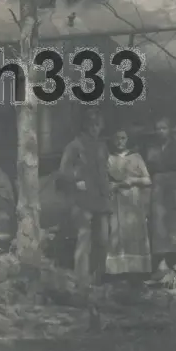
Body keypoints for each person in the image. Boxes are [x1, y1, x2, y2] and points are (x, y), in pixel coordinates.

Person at [56, 107, 112, 295]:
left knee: (103, 240)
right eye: (91, 124)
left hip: (102, 200)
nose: (94, 128)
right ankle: (82, 282)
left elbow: (105, 170)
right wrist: (76, 181)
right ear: (85, 125)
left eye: (97, 124)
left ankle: (98, 279)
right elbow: (63, 172)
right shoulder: (74, 146)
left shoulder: (102, 146)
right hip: (83, 201)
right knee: (84, 239)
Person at [105, 128, 152, 275]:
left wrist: (133, 180)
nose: (120, 141)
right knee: (116, 233)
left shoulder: (136, 157)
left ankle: (137, 271)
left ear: (128, 139)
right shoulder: (108, 158)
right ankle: (119, 271)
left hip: (133, 200)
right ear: (112, 140)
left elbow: (147, 179)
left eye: (123, 138)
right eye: (117, 138)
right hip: (116, 199)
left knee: (134, 233)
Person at [144, 116, 176, 286]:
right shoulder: (151, 149)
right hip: (158, 187)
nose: (161, 131)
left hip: (174, 186)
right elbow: (149, 168)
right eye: (158, 128)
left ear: (171, 129)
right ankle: (161, 263)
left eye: (164, 128)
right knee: (159, 225)